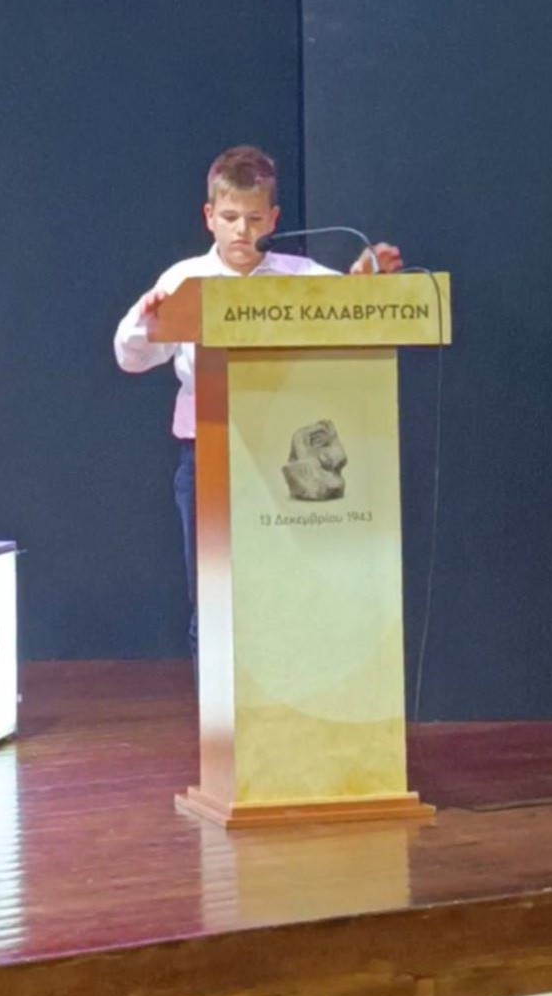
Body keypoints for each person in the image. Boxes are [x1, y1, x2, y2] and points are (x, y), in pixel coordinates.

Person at [114, 145, 402, 667]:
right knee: (214, 595)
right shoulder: (183, 280)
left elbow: (352, 311)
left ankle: (286, 701)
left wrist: (363, 282)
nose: (241, 231)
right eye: (229, 218)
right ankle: (216, 711)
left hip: (283, 456)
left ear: (273, 219)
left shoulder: (299, 275)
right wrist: (146, 322)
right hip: (207, 454)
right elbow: (130, 358)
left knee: (284, 590)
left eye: (253, 219)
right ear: (209, 217)